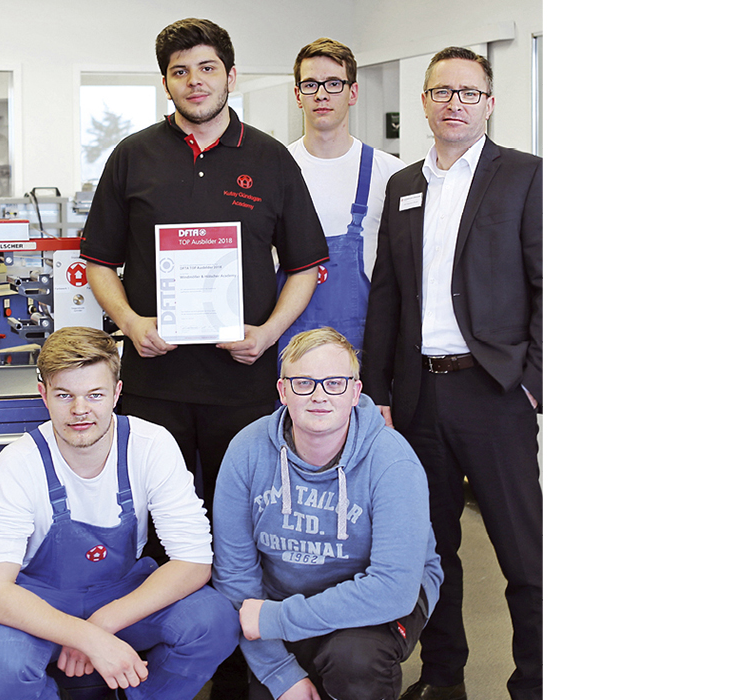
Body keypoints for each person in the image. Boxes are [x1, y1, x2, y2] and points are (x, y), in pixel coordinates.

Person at [80, 17, 329, 507]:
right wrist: (130, 323)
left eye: (207, 68)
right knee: (156, 518)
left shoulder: (271, 159)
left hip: (243, 382)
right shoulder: (132, 156)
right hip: (155, 382)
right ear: (166, 82)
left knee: (240, 515)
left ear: (230, 76)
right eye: (180, 71)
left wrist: (268, 334)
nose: (195, 81)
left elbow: (305, 265)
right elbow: (99, 261)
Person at [361, 47, 542, 700]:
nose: (454, 103)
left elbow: (551, 284)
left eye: (468, 92)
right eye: (442, 91)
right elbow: (386, 296)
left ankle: (536, 684)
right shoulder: (403, 185)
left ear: (488, 103)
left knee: (524, 555)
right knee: (433, 550)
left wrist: (533, 383)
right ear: (424, 102)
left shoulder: (524, 176)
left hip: (494, 391)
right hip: (418, 397)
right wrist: (378, 390)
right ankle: (444, 679)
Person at [0, 327, 239, 700]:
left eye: (95, 394)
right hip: (41, 602)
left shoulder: (151, 445)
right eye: (64, 395)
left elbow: (193, 563)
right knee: (0, 669)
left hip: (124, 594)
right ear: (43, 395)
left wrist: (102, 624)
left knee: (215, 621)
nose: (80, 410)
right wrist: (86, 637)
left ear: (117, 392)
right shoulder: (17, 463)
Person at [212, 327, 443, 700]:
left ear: (355, 392)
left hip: (376, 601)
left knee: (354, 660)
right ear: (282, 391)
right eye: (303, 383)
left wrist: (276, 619)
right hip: (283, 597)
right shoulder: (247, 451)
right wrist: (280, 673)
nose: (319, 396)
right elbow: (235, 576)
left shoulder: (393, 461)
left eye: (335, 383)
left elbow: (394, 588)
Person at [280, 39, 406, 351]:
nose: (321, 94)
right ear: (297, 95)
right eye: (310, 84)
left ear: (353, 92)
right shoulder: (274, 169)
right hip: (287, 348)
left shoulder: (390, 173)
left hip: (361, 347)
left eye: (334, 83)